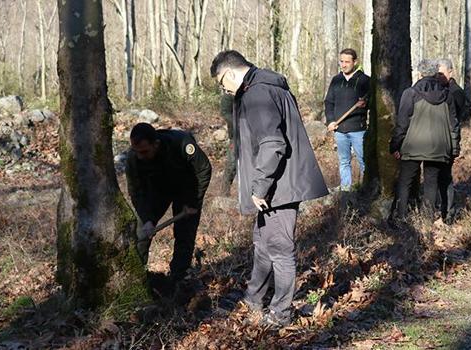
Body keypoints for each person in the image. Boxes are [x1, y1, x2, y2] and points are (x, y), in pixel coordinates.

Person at [210, 50, 328, 328]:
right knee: (262, 244)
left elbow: (273, 143)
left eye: (221, 82)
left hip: (279, 185)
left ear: (230, 73)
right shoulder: (264, 86)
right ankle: (254, 299)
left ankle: (280, 314)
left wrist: (260, 186)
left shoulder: (257, 94)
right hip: (279, 182)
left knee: (279, 248)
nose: (223, 89)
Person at [125, 122, 212, 295]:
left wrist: (193, 202)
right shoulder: (133, 158)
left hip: (187, 190)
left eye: (144, 152)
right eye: (136, 151)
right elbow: (136, 192)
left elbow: (204, 170)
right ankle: (136, 279)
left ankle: (177, 280)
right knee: (141, 232)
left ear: (155, 144)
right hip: (157, 191)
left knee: (184, 235)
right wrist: (147, 218)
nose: (140, 156)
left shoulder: (181, 143)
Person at [389, 59, 460, 220]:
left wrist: (395, 146)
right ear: (435, 73)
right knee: (431, 183)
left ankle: (401, 217)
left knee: (405, 181)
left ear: (420, 74)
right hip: (439, 146)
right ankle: (427, 219)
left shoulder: (410, 93)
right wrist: (454, 148)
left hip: (412, 145)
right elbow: (453, 124)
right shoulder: (447, 95)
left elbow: (402, 123)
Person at [324, 48, 371, 191]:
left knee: (363, 161)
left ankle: (365, 188)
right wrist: (331, 120)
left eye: (347, 62)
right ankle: (345, 188)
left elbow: (372, 102)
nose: (343, 65)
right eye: (341, 61)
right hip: (340, 129)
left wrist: (366, 104)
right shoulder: (336, 80)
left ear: (355, 62)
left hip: (358, 130)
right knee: (344, 161)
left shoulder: (365, 80)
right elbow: (329, 102)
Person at [437, 58, 466, 223]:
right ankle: (442, 209)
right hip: (439, 139)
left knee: (445, 176)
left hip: (449, 140)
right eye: (437, 73)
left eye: (441, 73)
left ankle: (449, 212)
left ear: (450, 72)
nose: (439, 77)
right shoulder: (442, 90)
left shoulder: (455, 92)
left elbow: (454, 119)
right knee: (439, 176)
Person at [220, 93, 236, 196]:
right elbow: (225, 112)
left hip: (253, 135)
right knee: (232, 164)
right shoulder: (229, 95)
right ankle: (224, 193)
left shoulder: (251, 91)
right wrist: (239, 123)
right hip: (236, 136)